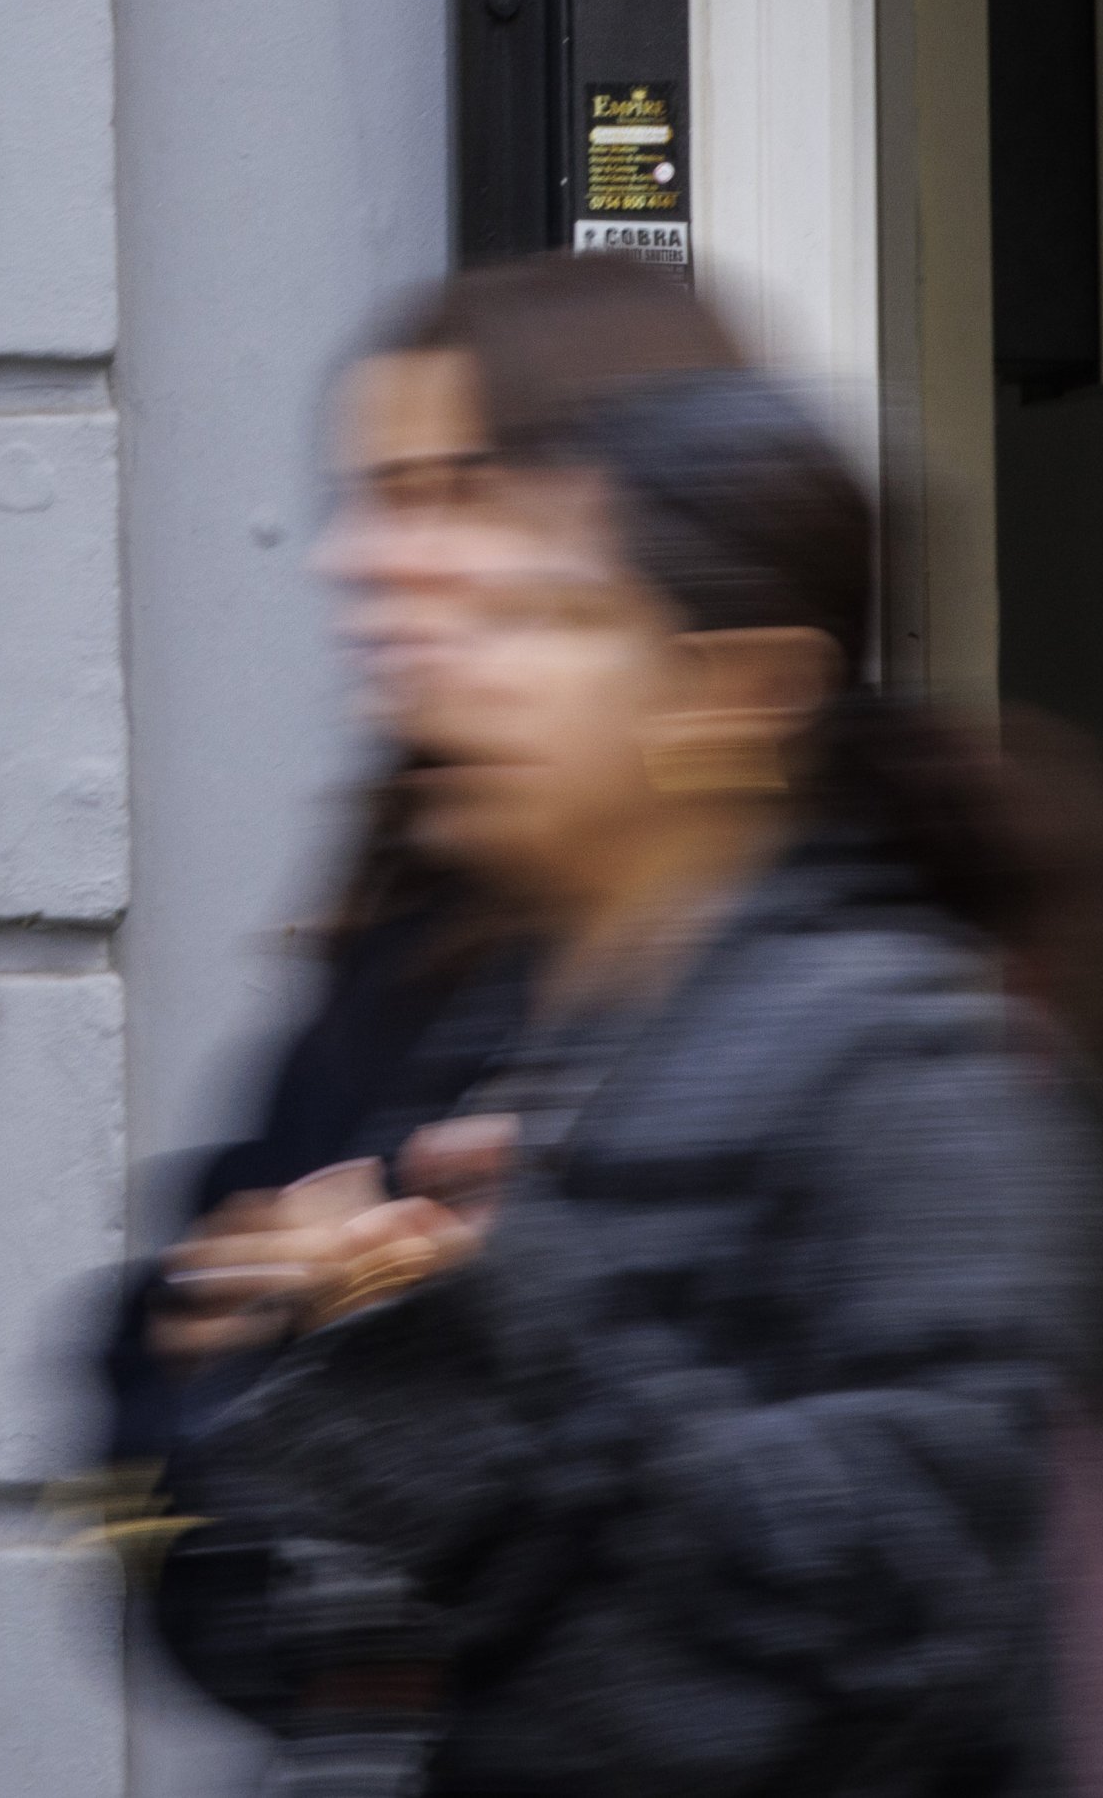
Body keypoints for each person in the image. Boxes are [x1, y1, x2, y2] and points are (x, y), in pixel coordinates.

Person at [158, 367, 1103, 1795]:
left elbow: (884, 1637)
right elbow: (313, 1637)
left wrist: (458, 1331)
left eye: (544, 616)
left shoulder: (909, 1070)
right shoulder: (488, 1029)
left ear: (732, 688)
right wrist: (286, 1375)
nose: (453, 664)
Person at [103, 253, 743, 1470]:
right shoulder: (425, 918)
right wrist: (249, 1321)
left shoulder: (849, 991)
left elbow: (845, 1545)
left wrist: (442, 1332)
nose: (352, 558)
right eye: (373, 496)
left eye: (446, 493)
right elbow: (194, 1511)